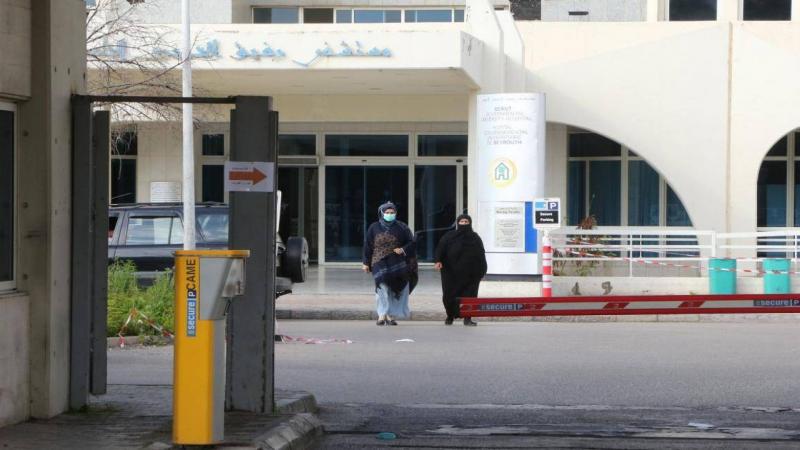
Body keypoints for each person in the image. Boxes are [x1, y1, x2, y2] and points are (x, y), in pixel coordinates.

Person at [362, 202, 416, 326]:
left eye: (392, 213)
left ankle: (390, 316)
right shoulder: (374, 227)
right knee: (382, 286)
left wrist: (402, 249)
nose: (389, 215)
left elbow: (412, 243)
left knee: (394, 288)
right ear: (382, 213)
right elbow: (368, 245)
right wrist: (366, 262)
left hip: (396, 261)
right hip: (378, 261)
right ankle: (381, 314)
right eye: (387, 212)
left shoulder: (402, 227)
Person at [434, 214, 487, 326]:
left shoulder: (475, 237)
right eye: (461, 222)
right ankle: (450, 316)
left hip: (471, 274)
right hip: (451, 273)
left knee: (470, 296)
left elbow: (481, 254)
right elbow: (440, 248)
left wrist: (482, 270)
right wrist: (438, 261)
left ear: (470, 223)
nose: (463, 224)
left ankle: (468, 318)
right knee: (449, 295)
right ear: (458, 223)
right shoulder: (449, 236)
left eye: (466, 222)